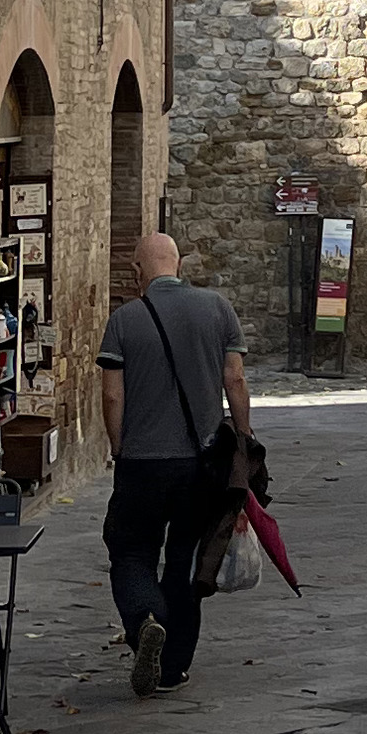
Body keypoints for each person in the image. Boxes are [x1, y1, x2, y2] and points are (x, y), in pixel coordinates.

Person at [96, 230, 250, 699]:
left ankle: (145, 620)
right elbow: (236, 380)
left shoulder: (124, 320)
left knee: (130, 551)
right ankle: (172, 669)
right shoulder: (218, 309)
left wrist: (120, 447)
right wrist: (241, 444)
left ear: (137, 272)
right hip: (200, 466)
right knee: (184, 561)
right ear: (178, 265)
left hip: (142, 464)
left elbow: (111, 393)